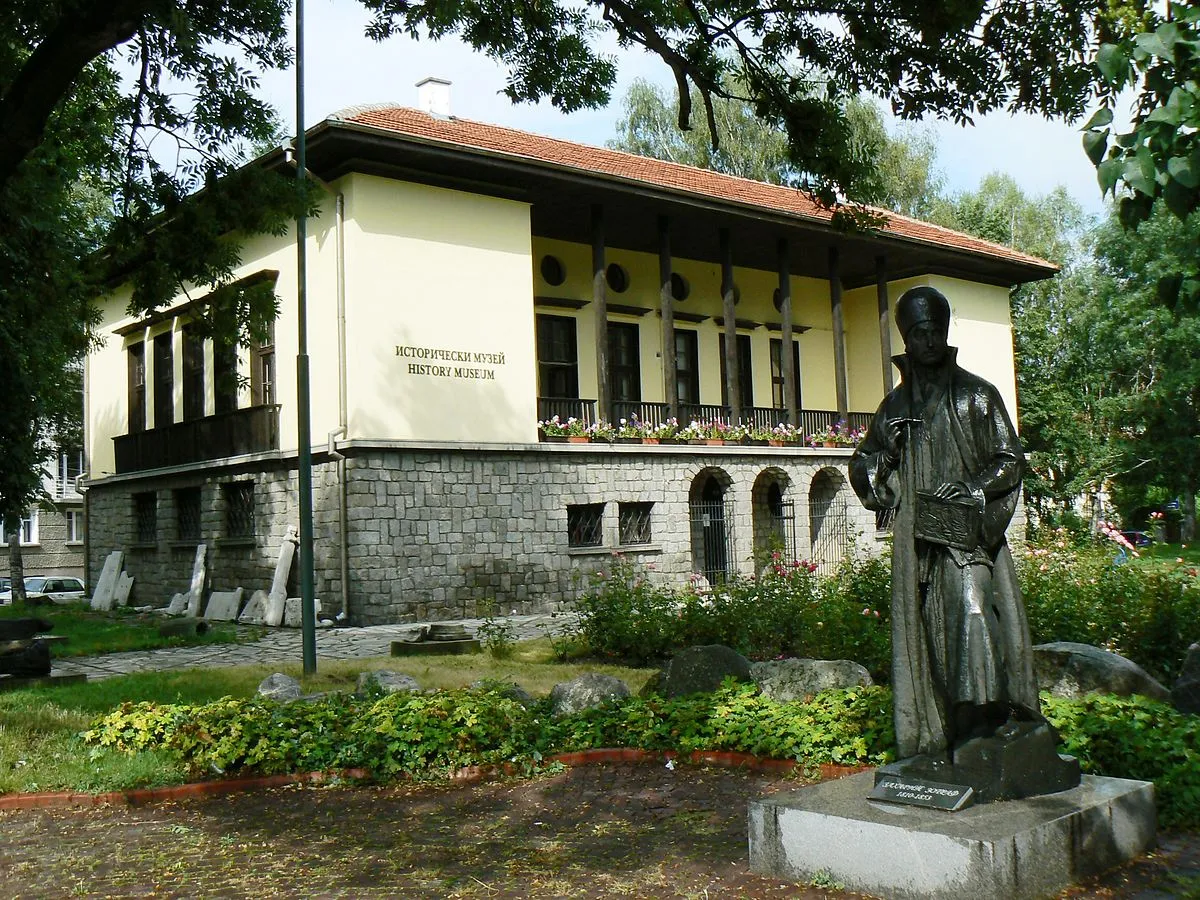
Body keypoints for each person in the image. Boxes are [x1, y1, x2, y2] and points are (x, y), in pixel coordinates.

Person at [849, 286, 1042, 764]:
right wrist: (889, 453)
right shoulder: (894, 408)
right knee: (928, 637)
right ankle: (944, 730)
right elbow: (864, 465)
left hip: (965, 537)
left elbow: (1009, 460)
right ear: (907, 340)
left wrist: (976, 487)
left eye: (935, 330)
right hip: (919, 544)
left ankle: (987, 721)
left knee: (974, 610)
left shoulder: (977, 394)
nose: (929, 340)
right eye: (919, 332)